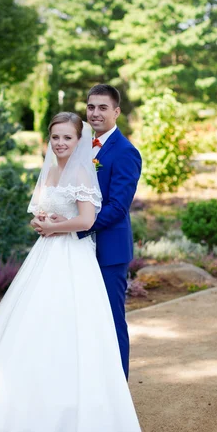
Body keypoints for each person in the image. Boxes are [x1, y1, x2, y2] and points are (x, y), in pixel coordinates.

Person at [0, 111, 144, 432]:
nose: (60, 143)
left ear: (79, 141)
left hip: (73, 257)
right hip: (45, 255)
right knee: (33, 326)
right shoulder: (50, 169)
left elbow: (86, 218)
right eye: (55, 137)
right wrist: (41, 220)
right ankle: (22, 408)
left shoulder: (82, 170)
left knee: (71, 328)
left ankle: (75, 416)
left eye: (67, 137)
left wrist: (53, 226)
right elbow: (42, 208)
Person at [39, 85, 142, 380]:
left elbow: (117, 208)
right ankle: (87, 385)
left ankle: (117, 388)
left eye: (102, 107)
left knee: (110, 320)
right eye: (91, 107)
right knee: (79, 322)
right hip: (75, 252)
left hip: (108, 251)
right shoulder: (80, 143)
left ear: (116, 112)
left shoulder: (125, 152)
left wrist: (73, 225)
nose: (95, 113)